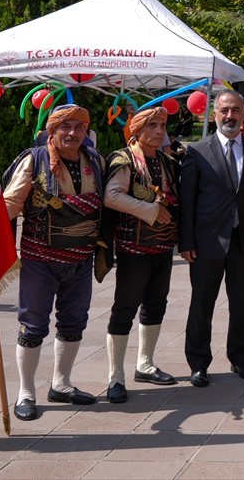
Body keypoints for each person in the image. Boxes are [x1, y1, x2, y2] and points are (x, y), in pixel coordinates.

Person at [2, 104, 106, 421]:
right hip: (40, 260)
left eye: (79, 127)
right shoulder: (34, 160)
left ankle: (61, 384)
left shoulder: (97, 162)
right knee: (33, 325)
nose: (73, 133)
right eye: (66, 126)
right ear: (52, 130)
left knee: (74, 322)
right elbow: (9, 203)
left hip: (80, 260)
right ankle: (26, 393)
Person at [179, 90, 244, 387]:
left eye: (235, 111)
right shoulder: (197, 151)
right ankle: (198, 363)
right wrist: (187, 242)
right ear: (215, 114)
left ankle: (240, 358)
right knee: (201, 305)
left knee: (242, 304)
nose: (230, 116)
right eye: (224, 111)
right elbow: (187, 200)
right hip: (207, 241)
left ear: (243, 115)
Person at [101, 106, 179, 403]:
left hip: (162, 246)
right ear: (137, 130)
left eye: (163, 125)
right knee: (125, 308)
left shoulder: (166, 161)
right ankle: (115, 377)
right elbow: (112, 197)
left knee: (156, 303)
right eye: (153, 126)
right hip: (133, 247)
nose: (160, 131)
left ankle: (145, 364)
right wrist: (150, 210)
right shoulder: (124, 160)